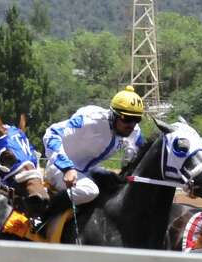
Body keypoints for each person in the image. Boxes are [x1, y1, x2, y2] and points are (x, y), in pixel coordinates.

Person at [38, 85, 146, 225]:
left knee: (117, 183)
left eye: (136, 119)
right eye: (126, 119)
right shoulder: (90, 120)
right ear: (113, 115)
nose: (131, 125)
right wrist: (67, 167)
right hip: (60, 170)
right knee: (89, 191)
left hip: (88, 170)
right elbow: (52, 133)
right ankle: (44, 213)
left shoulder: (134, 131)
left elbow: (145, 151)